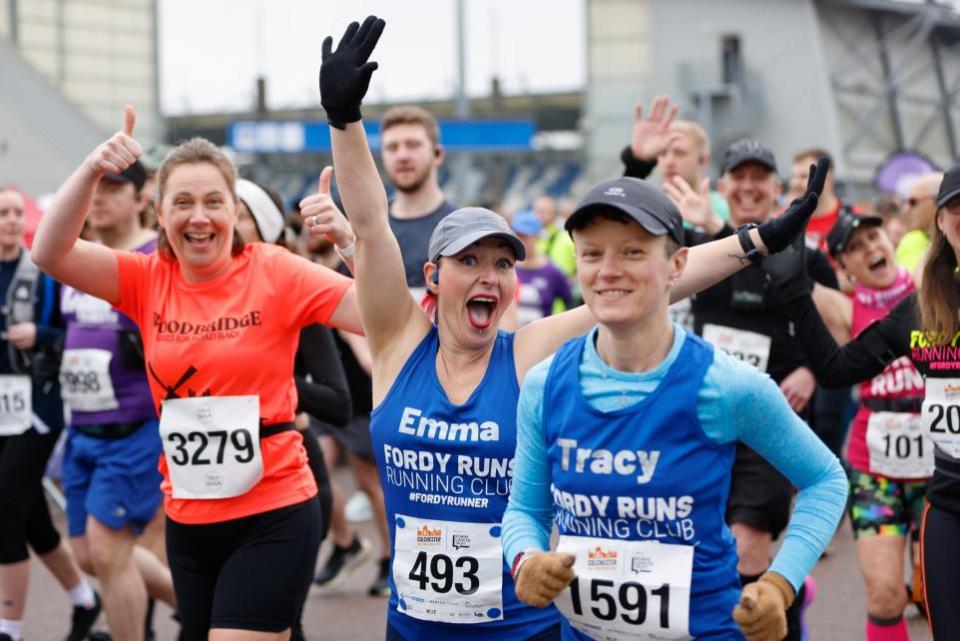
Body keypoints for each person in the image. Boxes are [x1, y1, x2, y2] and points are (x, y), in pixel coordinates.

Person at [315, 15, 828, 640]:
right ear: (432, 276)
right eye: (469, 262)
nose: (489, 277)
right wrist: (344, 120)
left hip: (524, 628)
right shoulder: (397, 344)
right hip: (414, 627)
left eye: (503, 264)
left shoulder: (527, 356)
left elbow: (648, 287)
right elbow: (370, 225)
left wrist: (757, 240)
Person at [31, 105, 363, 640]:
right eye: (182, 202)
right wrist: (93, 168)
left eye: (214, 202)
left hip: (273, 508)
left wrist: (352, 242)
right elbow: (50, 252)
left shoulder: (273, 270)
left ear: (235, 211)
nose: (199, 217)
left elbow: (383, 315)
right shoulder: (144, 278)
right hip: (188, 517)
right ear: (159, 214)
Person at [501, 175, 846, 641]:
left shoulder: (724, 384)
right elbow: (525, 509)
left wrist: (779, 584)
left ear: (677, 264)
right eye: (592, 253)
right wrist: (525, 557)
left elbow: (825, 479)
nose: (608, 270)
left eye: (632, 252)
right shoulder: (544, 383)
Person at [761, 165, 960, 641]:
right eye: (957, 209)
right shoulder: (924, 308)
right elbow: (836, 369)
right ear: (942, 222)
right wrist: (794, 291)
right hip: (948, 505)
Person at [662, 139, 839, 641]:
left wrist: (810, 372)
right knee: (703, 546)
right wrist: (717, 232)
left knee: (747, 546)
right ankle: (789, 600)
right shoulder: (696, 250)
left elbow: (835, 336)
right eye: (737, 176)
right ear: (721, 187)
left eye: (759, 177)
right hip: (701, 420)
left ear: (777, 189)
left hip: (769, 418)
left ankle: (774, 619)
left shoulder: (809, 259)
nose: (747, 186)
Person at [57, 160, 176, 641]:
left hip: (136, 427)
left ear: (139, 197)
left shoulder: (154, 258)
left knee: (109, 552)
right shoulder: (73, 256)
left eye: (113, 188)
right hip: (81, 428)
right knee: (87, 553)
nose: (99, 197)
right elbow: (61, 328)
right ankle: (204, 608)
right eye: (94, 187)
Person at [235, 176, 353, 641]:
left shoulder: (293, 291)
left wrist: (262, 378)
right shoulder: (198, 298)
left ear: (265, 229)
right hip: (218, 482)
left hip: (292, 472)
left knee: (279, 624)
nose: (223, 223)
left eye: (239, 214)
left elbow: (338, 403)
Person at [811, 211, 929, 641]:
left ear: (890, 238)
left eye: (874, 237)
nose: (871, 249)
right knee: (883, 595)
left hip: (941, 469)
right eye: (856, 248)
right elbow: (793, 281)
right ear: (845, 266)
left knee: (937, 593)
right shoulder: (844, 308)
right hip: (874, 469)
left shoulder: (929, 291)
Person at [0, 188, 101, 641]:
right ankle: (85, 599)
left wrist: (38, 334)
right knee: (33, 518)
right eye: (2, 213)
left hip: (38, 408)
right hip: (2, 411)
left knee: (4, 513)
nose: (9, 220)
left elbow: (73, 332)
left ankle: (9, 628)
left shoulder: (43, 271)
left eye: (16, 213)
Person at [301, 171, 392, 596]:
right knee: (312, 464)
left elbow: (370, 343)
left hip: (361, 398)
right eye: (305, 223)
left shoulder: (349, 270)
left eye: (318, 221)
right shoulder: (300, 269)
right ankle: (345, 541)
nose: (311, 230)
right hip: (322, 395)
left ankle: (390, 561)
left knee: (372, 485)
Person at [381, 104, 458, 301]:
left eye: (413, 145)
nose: (402, 156)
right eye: (392, 147)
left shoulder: (460, 227)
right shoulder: (371, 228)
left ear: (437, 154)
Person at [620, 96, 730, 225]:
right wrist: (638, 160)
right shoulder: (646, 208)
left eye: (680, 153)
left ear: (703, 161)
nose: (669, 162)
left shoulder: (725, 208)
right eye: (662, 153)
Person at [511, 209, 573, 326]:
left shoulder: (552, 272)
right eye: (517, 235)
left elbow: (570, 303)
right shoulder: (508, 268)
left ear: (537, 237)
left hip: (542, 339)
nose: (521, 241)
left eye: (525, 236)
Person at [895, 172, 941, 272]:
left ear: (939, 201)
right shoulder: (910, 240)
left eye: (913, 202)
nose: (905, 209)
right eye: (904, 202)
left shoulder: (955, 241)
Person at [532, 196, 577, 279]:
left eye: (544, 211)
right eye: (537, 211)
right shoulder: (532, 239)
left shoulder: (567, 238)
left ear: (554, 213)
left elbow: (581, 268)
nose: (539, 215)